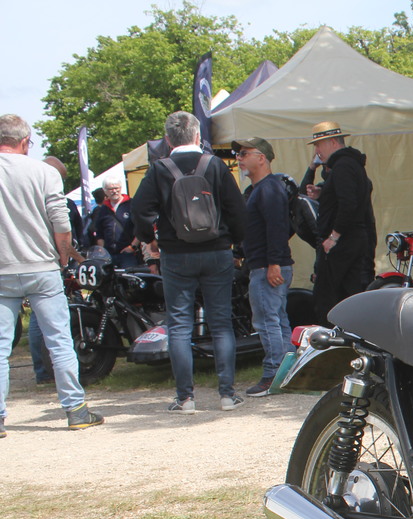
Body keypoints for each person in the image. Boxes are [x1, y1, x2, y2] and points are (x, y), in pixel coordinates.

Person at [132, 110, 247, 414]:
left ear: (168, 140)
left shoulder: (159, 169)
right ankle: (227, 395)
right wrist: (235, 243)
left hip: (176, 254)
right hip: (217, 251)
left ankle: (185, 398)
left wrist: (149, 239)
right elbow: (237, 209)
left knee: (179, 325)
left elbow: (140, 210)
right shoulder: (216, 165)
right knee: (221, 323)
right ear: (198, 135)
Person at [0, 114, 104, 435]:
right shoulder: (44, 172)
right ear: (25, 141)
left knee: (0, 348)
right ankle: (76, 409)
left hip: (2, 269)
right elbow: (61, 222)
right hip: (42, 266)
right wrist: (63, 257)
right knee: (59, 341)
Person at [233, 136, 293, 397]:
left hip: (268, 266)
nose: (239, 159)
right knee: (277, 320)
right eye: (238, 154)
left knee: (267, 321)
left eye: (244, 154)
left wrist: (273, 263)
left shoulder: (269, 189)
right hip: (267, 264)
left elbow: (277, 228)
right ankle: (288, 373)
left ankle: (273, 374)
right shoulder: (262, 189)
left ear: (261, 158)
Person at [304, 121, 375, 321]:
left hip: (344, 242)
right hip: (353, 239)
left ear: (333, 142)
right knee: (348, 295)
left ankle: (331, 336)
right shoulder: (350, 165)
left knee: (327, 299)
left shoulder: (343, 165)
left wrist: (334, 237)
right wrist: (323, 193)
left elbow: (349, 204)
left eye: (319, 145)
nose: (317, 151)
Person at [27, 156, 87, 385]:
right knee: (54, 326)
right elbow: (62, 235)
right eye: (60, 177)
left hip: (29, 265)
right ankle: (55, 376)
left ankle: (43, 370)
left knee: (39, 321)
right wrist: (77, 260)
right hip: (49, 265)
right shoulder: (54, 200)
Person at [89, 178, 136, 268]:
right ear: (105, 191)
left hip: (129, 254)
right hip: (109, 254)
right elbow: (99, 232)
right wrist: (103, 250)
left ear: (121, 188)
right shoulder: (103, 209)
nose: (114, 191)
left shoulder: (132, 204)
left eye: (116, 188)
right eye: (110, 189)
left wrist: (133, 247)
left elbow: (141, 228)